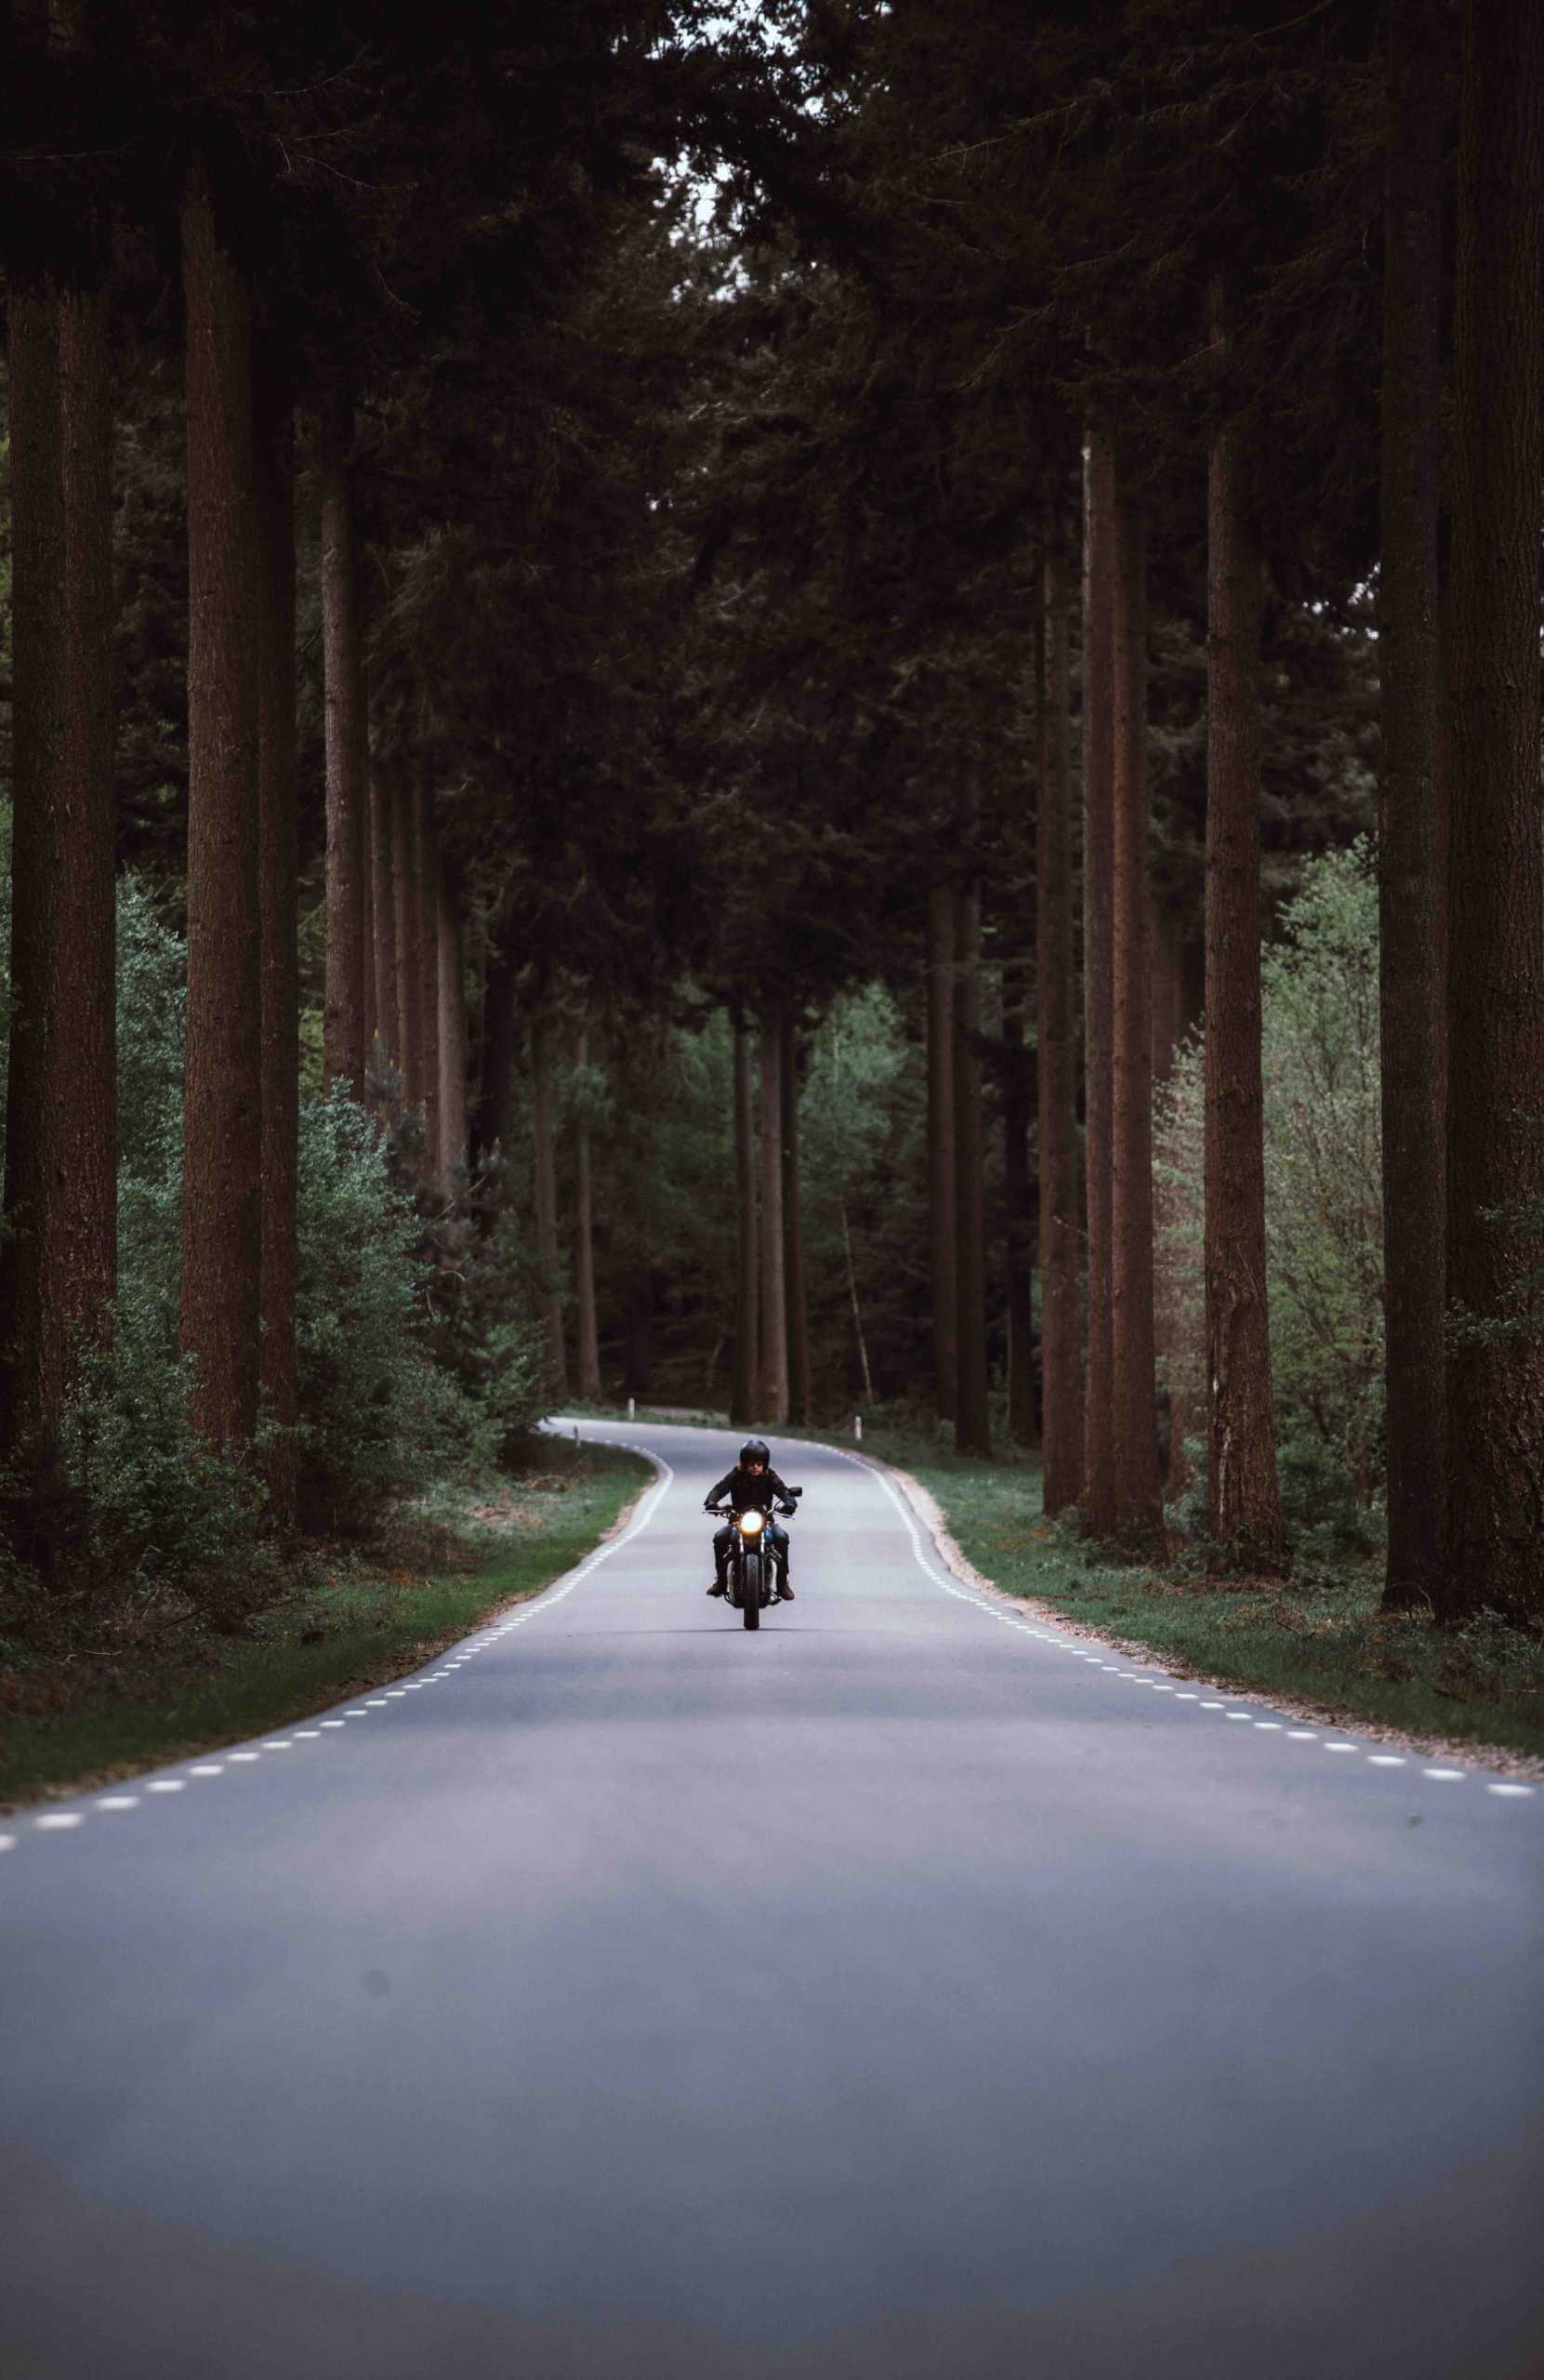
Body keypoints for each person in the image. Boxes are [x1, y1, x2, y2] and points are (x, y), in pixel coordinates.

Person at [705, 1438, 797, 1600]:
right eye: (751, 1463)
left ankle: (782, 1583)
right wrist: (711, 1501)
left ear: (764, 1464)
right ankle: (721, 1581)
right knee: (720, 1538)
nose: (755, 1467)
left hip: (766, 1521)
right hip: (737, 1521)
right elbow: (720, 1488)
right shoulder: (736, 1475)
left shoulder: (770, 1476)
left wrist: (790, 1503)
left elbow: (783, 1491)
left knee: (782, 1537)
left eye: (759, 1464)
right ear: (744, 1463)